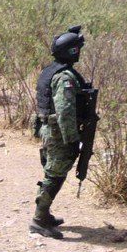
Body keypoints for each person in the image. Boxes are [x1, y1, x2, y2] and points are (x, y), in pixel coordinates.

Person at [30, 26, 90, 239]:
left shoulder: (52, 70)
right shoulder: (65, 77)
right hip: (58, 134)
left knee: (54, 173)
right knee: (54, 175)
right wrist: (72, 139)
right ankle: (39, 220)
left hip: (50, 130)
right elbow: (65, 111)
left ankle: (44, 214)